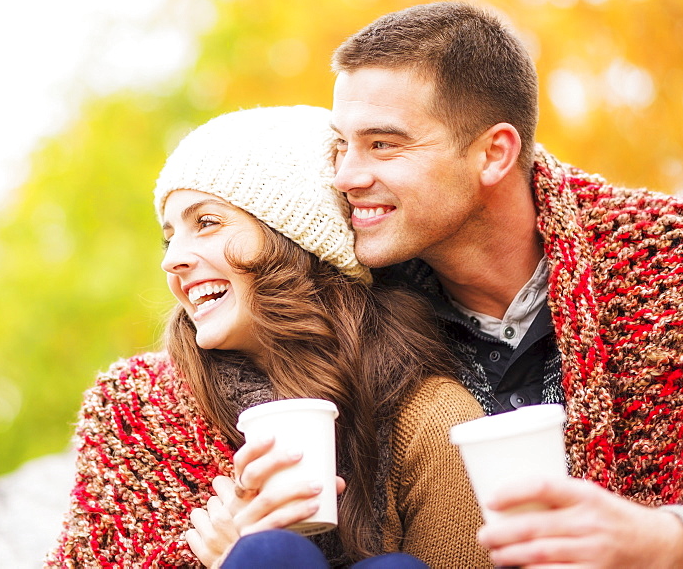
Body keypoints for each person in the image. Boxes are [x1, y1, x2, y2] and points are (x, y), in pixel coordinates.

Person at [322, 1, 683, 568]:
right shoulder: (345, 293)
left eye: (383, 144)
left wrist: (669, 541)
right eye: (341, 143)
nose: (346, 176)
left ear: (494, 153)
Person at [46, 105, 492, 567]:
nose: (172, 259)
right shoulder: (136, 410)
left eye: (207, 222)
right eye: (169, 237)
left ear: (299, 238)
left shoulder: (431, 419)